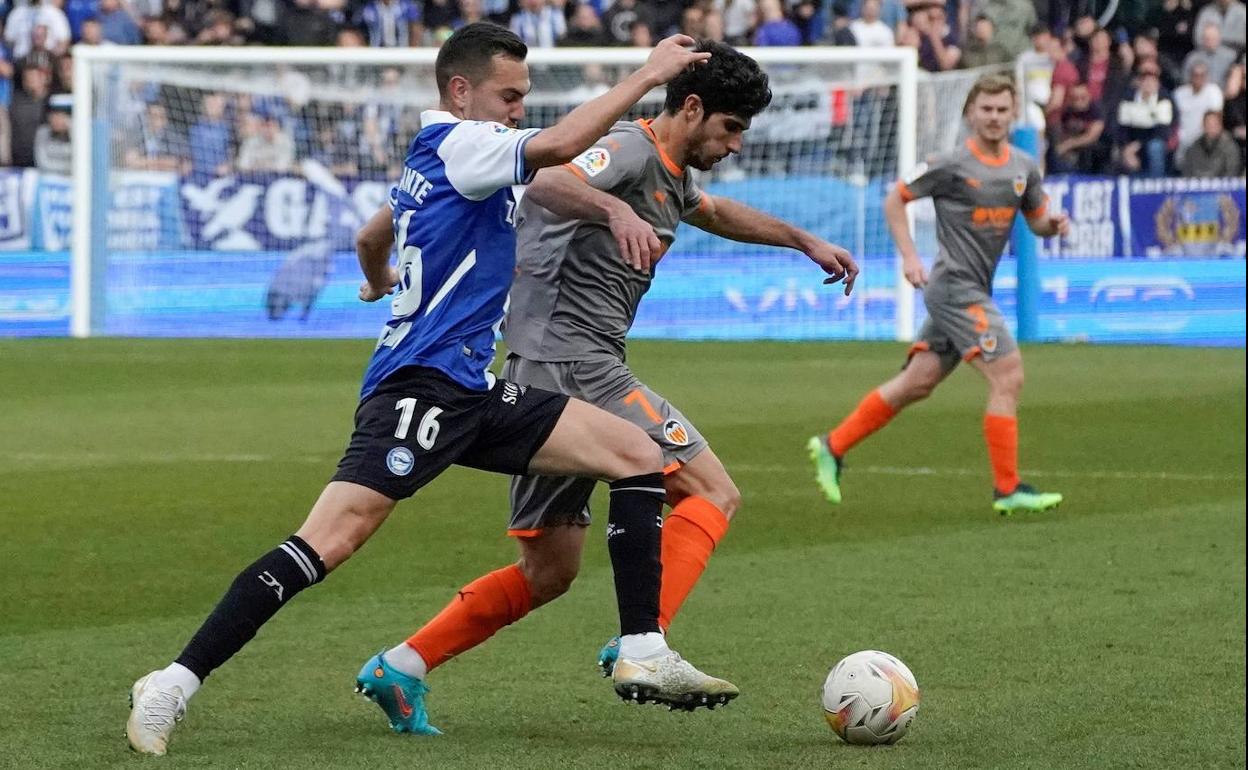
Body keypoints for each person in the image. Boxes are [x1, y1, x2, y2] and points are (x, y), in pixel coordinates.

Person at [125, 24, 727, 757]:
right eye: (508, 97)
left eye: (523, 98)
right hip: (418, 391)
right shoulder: (461, 144)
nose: (516, 110)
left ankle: (642, 644)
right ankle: (173, 681)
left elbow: (371, 237)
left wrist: (381, 283)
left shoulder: (442, 158)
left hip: (469, 389)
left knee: (635, 453)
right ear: (460, 91)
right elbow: (561, 146)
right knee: (328, 542)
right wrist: (646, 73)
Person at [390, 41, 853, 680]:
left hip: (550, 366)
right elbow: (548, 180)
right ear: (691, 108)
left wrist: (803, 240)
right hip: (575, 364)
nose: (737, 145)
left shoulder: (672, 172)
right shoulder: (630, 149)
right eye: (731, 128)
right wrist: (611, 207)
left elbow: (713, 212)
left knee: (550, 571)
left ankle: (403, 665)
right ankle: (644, 644)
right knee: (713, 489)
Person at [808, 73, 1070, 516]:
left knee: (917, 383)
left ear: (1013, 113)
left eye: (1002, 109)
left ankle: (831, 446)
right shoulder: (949, 164)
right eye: (985, 109)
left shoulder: (1023, 167)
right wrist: (910, 257)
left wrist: (1054, 225)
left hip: (969, 289)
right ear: (970, 113)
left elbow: (1038, 221)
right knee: (1008, 376)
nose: (994, 117)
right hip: (954, 289)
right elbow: (896, 198)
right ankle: (1008, 490)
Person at [1182, 109, 1243, 176]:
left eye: (1214, 124)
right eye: (1208, 124)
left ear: (1220, 125)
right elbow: (1187, 170)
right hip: (1198, 184)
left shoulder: (1230, 147)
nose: (1211, 127)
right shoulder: (1194, 147)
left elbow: (1232, 170)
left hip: (1222, 184)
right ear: (1203, 125)